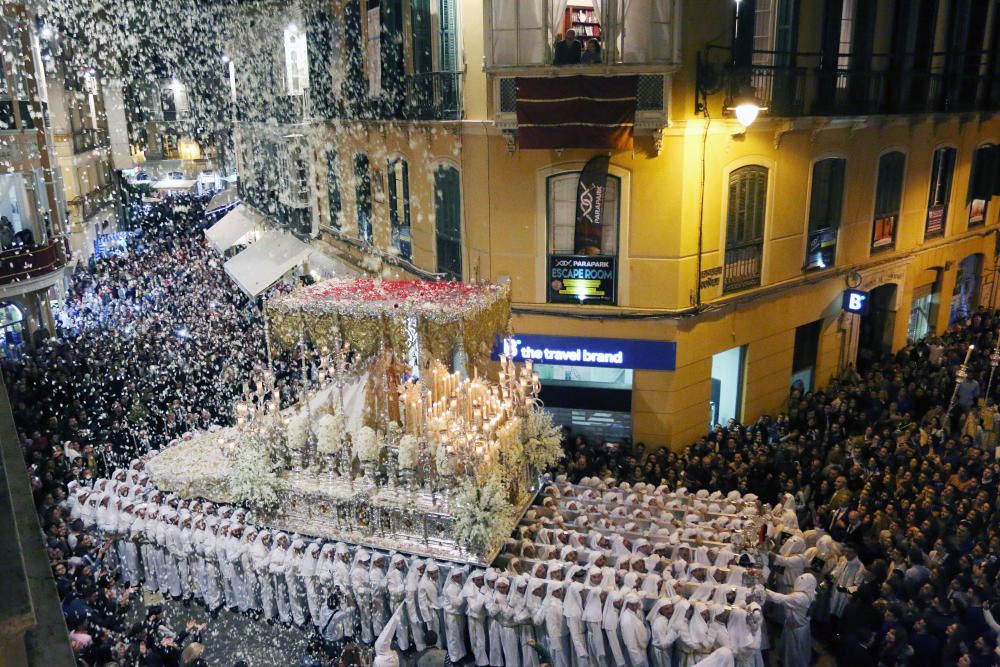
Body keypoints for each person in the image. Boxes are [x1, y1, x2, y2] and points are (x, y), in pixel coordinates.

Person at [765, 573, 817, 667]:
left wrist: (763, 590)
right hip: (798, 626)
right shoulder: (811, 593)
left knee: (795, 653)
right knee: (795, 651)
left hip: (796, 628)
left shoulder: (801, 598)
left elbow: (779, 598)